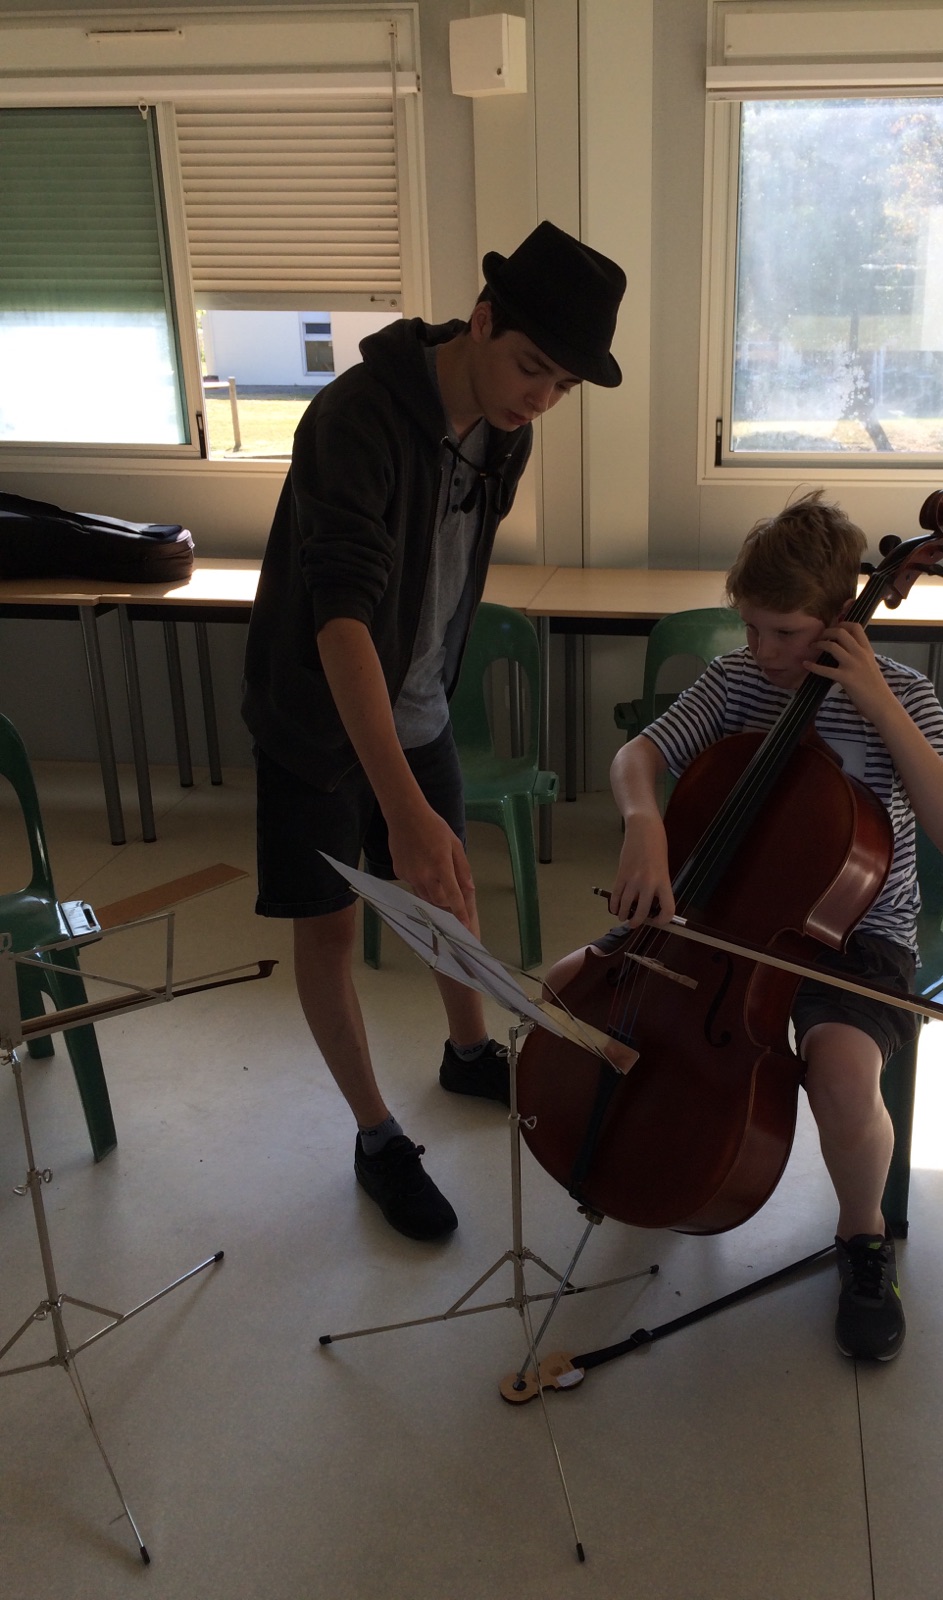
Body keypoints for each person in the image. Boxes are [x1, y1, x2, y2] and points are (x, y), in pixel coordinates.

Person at [242, 222, 626, 1243]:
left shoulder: (507, 430)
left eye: (561, 386)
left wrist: (419, 797)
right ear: (482, 321)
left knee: (450, 894)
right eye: (531, 368)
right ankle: (376, 1136)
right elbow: (340, 621)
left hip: (417, 704)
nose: (539, 399)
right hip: (315, 714)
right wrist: (401, 810)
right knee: (330, 925)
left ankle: (466, 1054)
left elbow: (442, 577)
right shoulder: (354, 420)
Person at [605, 489, 943, 1360]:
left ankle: (862, 1237)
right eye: (751, 627)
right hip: (723, 913)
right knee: (631, 1021)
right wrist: (643, 822)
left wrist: (880, 704)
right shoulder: (735, 681)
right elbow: (638, 755)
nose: (763, 652)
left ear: (844, 618)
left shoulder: (905, 695)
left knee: (844, 1077)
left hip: (858, 936)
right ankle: (656, 1163)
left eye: (785, 632)